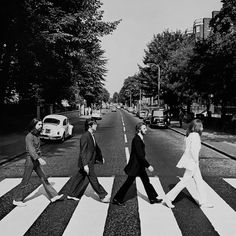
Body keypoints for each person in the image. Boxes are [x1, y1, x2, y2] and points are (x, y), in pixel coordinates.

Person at [162, 119, 213, 208]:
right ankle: (168, 198)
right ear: (197, 127)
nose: (202, 127)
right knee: (185, 182)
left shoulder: (189, 135)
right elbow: (193, 151)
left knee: (199, 181)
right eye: (201, 126)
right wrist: (196, 161)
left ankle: (203, 202)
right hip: (193, 162)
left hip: (191, 161)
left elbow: (184, 149)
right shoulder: (196, 135)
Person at [13, 118, 64, 207]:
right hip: (30, 161)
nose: (41, 126)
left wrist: (38, 157)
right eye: (39, 124)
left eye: (41, 124)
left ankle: (54, 196)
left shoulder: (37, 135)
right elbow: (31, 150)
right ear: (34, 125)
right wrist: (39, 158)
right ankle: (17, 199)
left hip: (36, 160)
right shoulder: (29, 136)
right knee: (25, 180)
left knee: (44, 178)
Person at [112, 122, 162, 206]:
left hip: (139, 166)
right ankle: (117, 199)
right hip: (136, 166)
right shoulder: (137, 140)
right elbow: (140, 156)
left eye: (145, 128)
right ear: (139, 130)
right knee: (128, 183)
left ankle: (152, 198)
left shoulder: (140, 138)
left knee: (146, 181)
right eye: (144, 129)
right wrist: (148, 165)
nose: (146, 130)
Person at [67, 118, 110, 203]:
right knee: (93, 179)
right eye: (95, 124)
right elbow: (82, 152)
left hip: (89, 160)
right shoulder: (85, 136)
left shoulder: (91, 135)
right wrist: (85, 165)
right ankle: (102, 196)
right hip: (87, 162)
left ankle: (71, 194)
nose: (96, 125)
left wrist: (101, 158)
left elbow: (95, 149)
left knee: (79, 177)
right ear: (90, 126)